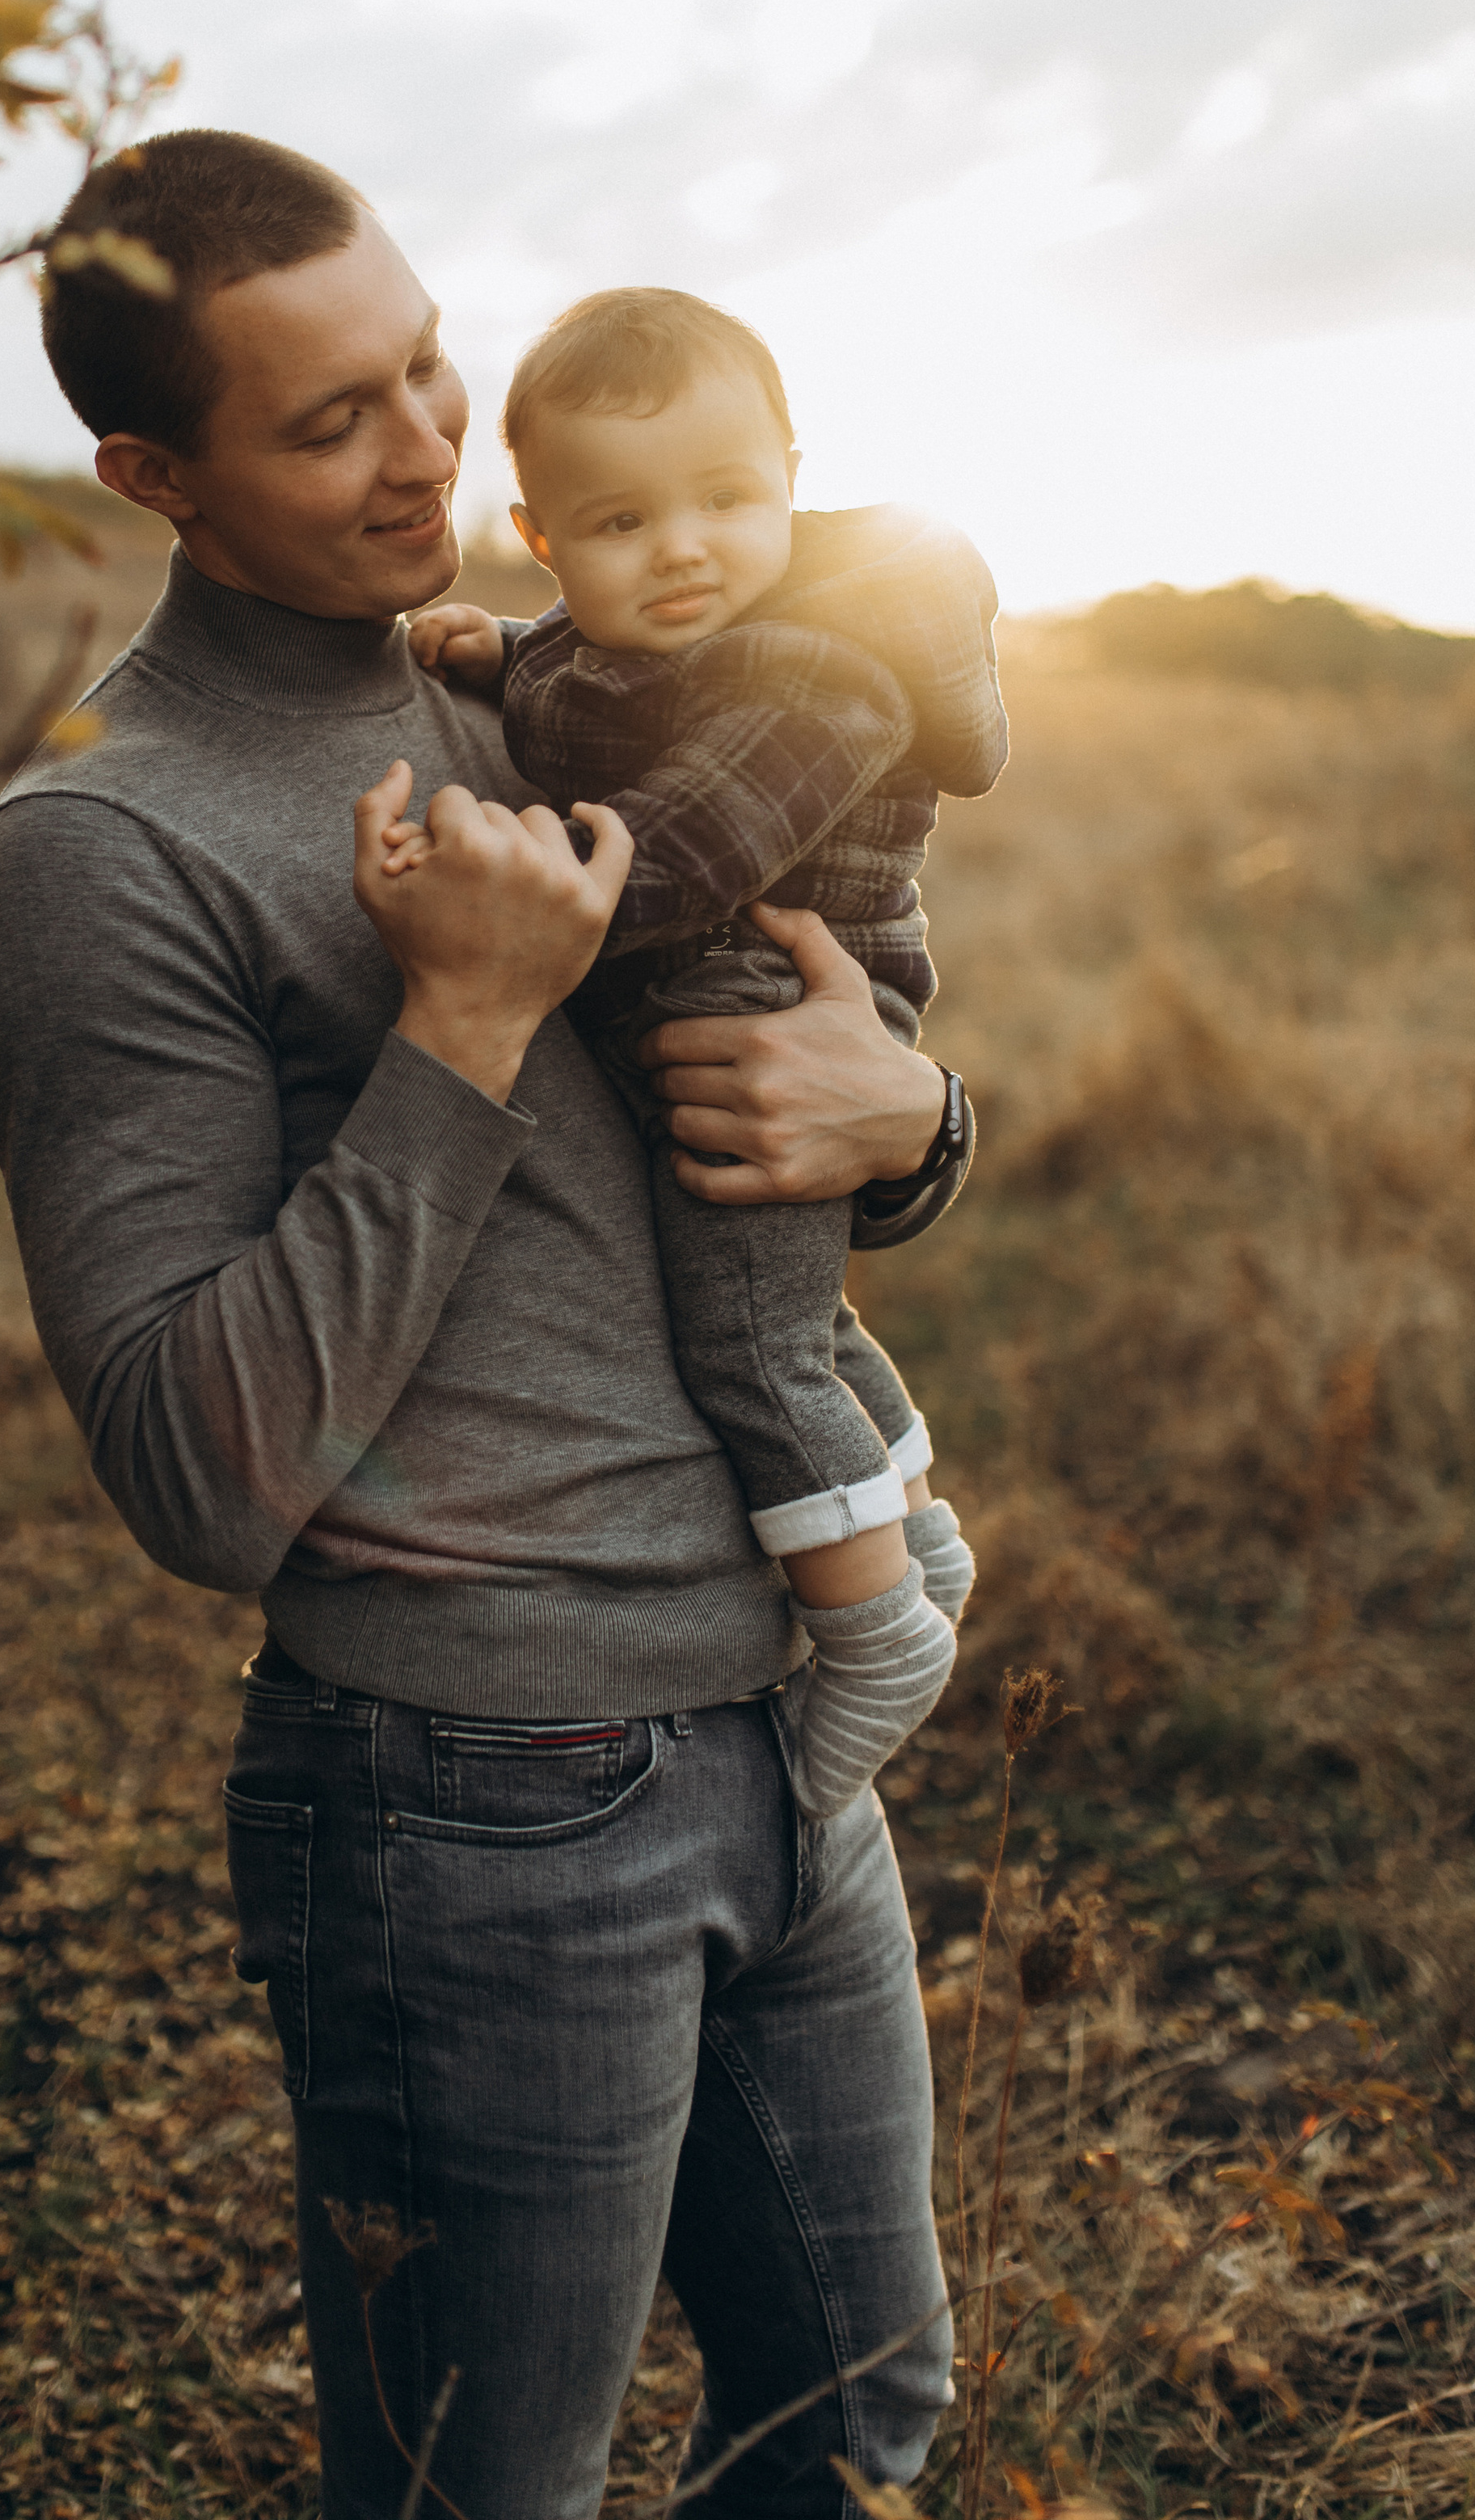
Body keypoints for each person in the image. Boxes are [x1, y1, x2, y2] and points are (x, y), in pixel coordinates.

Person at [0, 129, 978, 2520]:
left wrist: (914, 1121)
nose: (425, 450)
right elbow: (194, 1474)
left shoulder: (570, 693)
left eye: (426, 367)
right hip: (479, 1803)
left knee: (859, 2431)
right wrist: (467, 1024)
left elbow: (769, 1134)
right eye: (331, 422)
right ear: (152, 476)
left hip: (787, 1723)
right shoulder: (103, 850)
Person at [394, 286, 1004, 1823]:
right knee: (803, 1317)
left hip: (766, 1014)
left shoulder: (820, 672)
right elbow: (603, 684)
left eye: (728, 500)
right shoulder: (657, 628)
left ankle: (876, 1641)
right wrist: (504, 653)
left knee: (753, 1346)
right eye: (621, 522)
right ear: (540, 537)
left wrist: (500, 873)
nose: (682, 550)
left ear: (792, 477)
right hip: (718, 1008)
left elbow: (678, 848)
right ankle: (921, 1548)